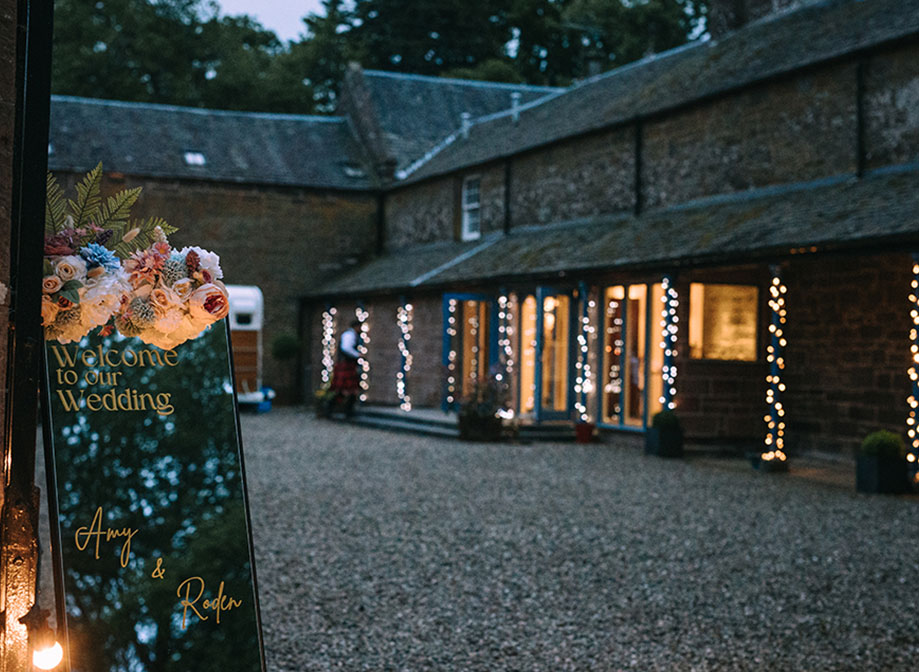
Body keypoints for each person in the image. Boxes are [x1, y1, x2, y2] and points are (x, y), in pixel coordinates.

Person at [329, 319, 362, 416]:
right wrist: (357, 355)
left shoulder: (351, 335)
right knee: (347, 390)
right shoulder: (349, 335)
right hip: (346, 364)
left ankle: (345, 410)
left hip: (347, 364)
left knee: (347, 390)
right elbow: (346, 348)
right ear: (356, 327)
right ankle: (342, 410)